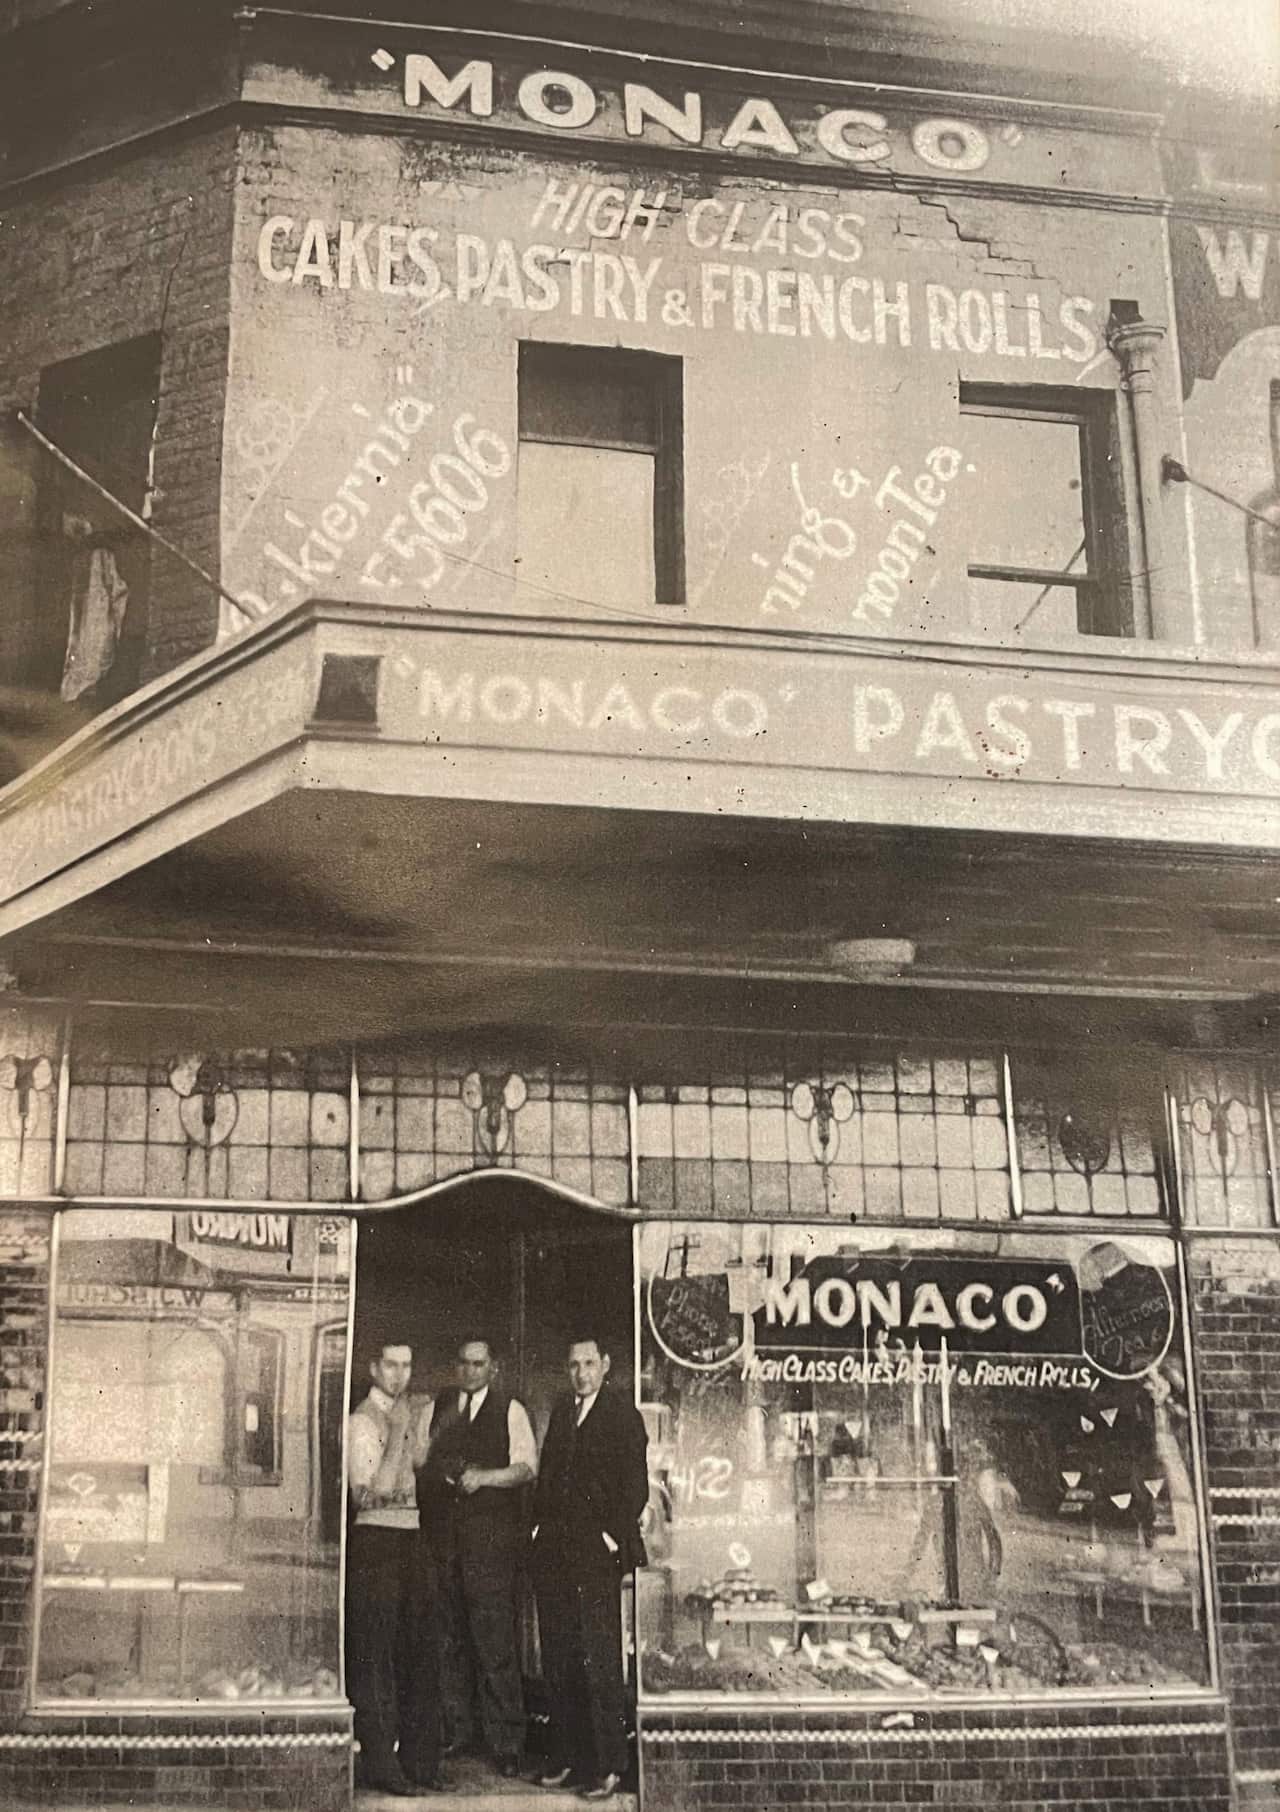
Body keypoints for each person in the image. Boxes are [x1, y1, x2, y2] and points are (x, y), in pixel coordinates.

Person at [531, 1334, 649, 1803]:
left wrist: (609, 1538)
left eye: (589, 1363)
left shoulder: (622, 1414)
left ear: (605, 1364)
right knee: (560, 1659)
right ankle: (569, 1758)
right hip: (556, 1554)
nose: (581, 1372)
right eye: (573, 1364)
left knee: (599, 1663)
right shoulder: (564, 1411)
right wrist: (538, 1530)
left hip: (595, 1555)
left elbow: (634, 1487)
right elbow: (547, 1475)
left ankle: (607, 1768)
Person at [418, 1338, 536, 1777]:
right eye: (464, 1364)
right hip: (446, 1543)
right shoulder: (441, 1406)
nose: (470, 1371)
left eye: (479, 1364)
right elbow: (422, 1459)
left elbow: (527, 1467)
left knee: (494, 1644)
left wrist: (484, 1477)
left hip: (491, 1546)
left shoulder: (511, 1410)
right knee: (449, 1640)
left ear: (494, 1367)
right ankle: (458, 1732)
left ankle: (506, 1743)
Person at [346, 1341, 445, 1796]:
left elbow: (419, 1467)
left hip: (411, 1537)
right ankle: (382, 1765)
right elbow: (372, 1491)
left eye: (406, 1366)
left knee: (418, 1650)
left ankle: (420, 1765)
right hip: (377, 1540)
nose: (399, 1375)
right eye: (390, 1365)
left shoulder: (404, 1413)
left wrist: (418, 1431)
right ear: (373, 1368)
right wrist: (400, 1429)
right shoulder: (361, 1421)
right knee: (377, 1654)